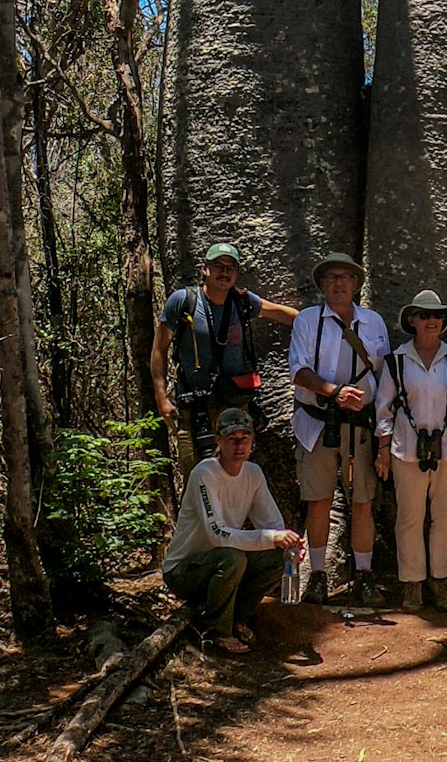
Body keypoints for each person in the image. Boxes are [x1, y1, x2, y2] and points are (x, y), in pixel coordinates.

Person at [289, 250, 391, 609]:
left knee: (362, 504)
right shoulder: (307, 320)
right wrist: (333, 392)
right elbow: (298, 370)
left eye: (345, 277)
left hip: (360, 428)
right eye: (331, 278)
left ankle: (363, 576)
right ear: (321, 285)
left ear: (356, 284)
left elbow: (386, 379)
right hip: (316, 425)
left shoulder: (374, 322)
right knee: (318, 502)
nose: (338, 284)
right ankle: (317, 577)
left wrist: (383, 433)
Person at [161, 406, 305, 654]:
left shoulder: (253, 473)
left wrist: (288, 544)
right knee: (232, 557)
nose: (239, 445)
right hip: (185, 571)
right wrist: (271, 537)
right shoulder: (204, 473)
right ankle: (216, 631)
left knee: (276, 556)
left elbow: (271, 524)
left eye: (244, 439)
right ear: (218, 440)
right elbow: (216, 534)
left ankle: (238, 618)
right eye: (232, 439)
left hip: (222, 564)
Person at [152, 242, 297, 479]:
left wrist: (323, 324)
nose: (225, 272)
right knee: (196, 479)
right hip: (193, 406)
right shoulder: (183, 301)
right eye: (218, 266)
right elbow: (159, 349)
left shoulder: (242, 301)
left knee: (235, 478)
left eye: (231, 268)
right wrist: (162, 399)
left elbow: (280, 313)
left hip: (235, 404)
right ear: (204, 269)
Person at [376, 288, 447, 612]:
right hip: (407, 451)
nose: (431, 321)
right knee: (409, 518)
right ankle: (412, 584)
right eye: (424, 315)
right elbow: (383, 409)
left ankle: (440, 579)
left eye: (436, 316)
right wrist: (383, 449)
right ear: (413, 321)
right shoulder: (397, 360)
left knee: (445, 519)